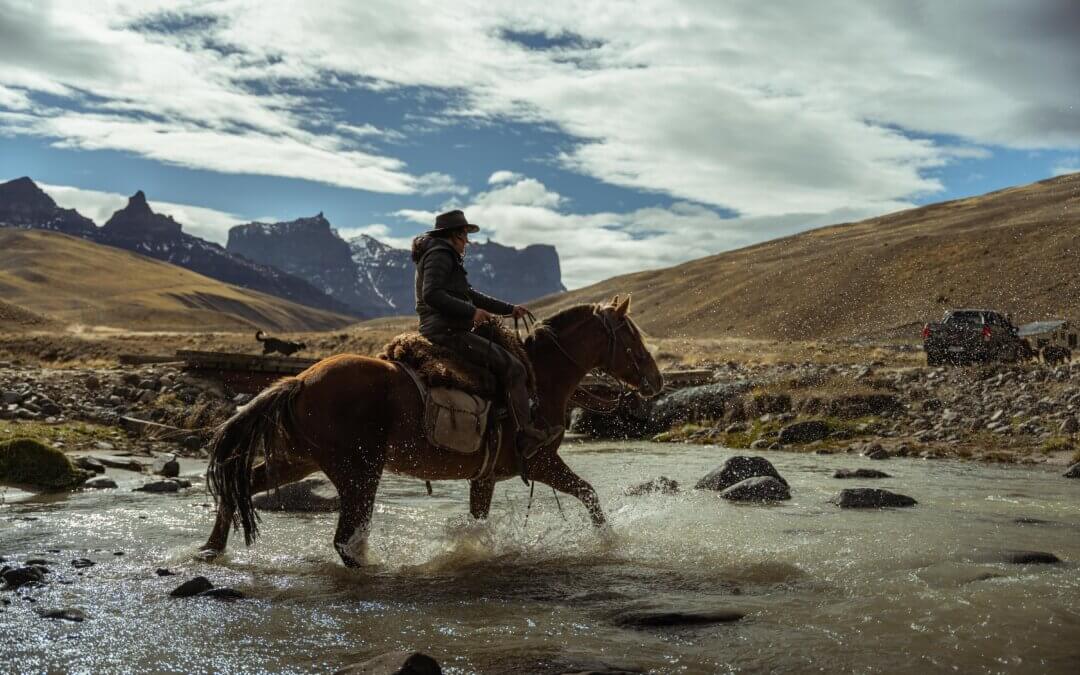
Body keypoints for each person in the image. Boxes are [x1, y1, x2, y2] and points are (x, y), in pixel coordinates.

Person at [411, 209, 563, 458]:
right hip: (446, 332)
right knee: (515, 369)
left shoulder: (442, 255)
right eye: (465, 236)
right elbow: (432, 294)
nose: (467, 243)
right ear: (455, 235)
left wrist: (509, 309)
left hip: (444, 328)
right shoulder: (441, 255)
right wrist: (471, 313)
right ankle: (525, 435)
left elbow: (470, 294)